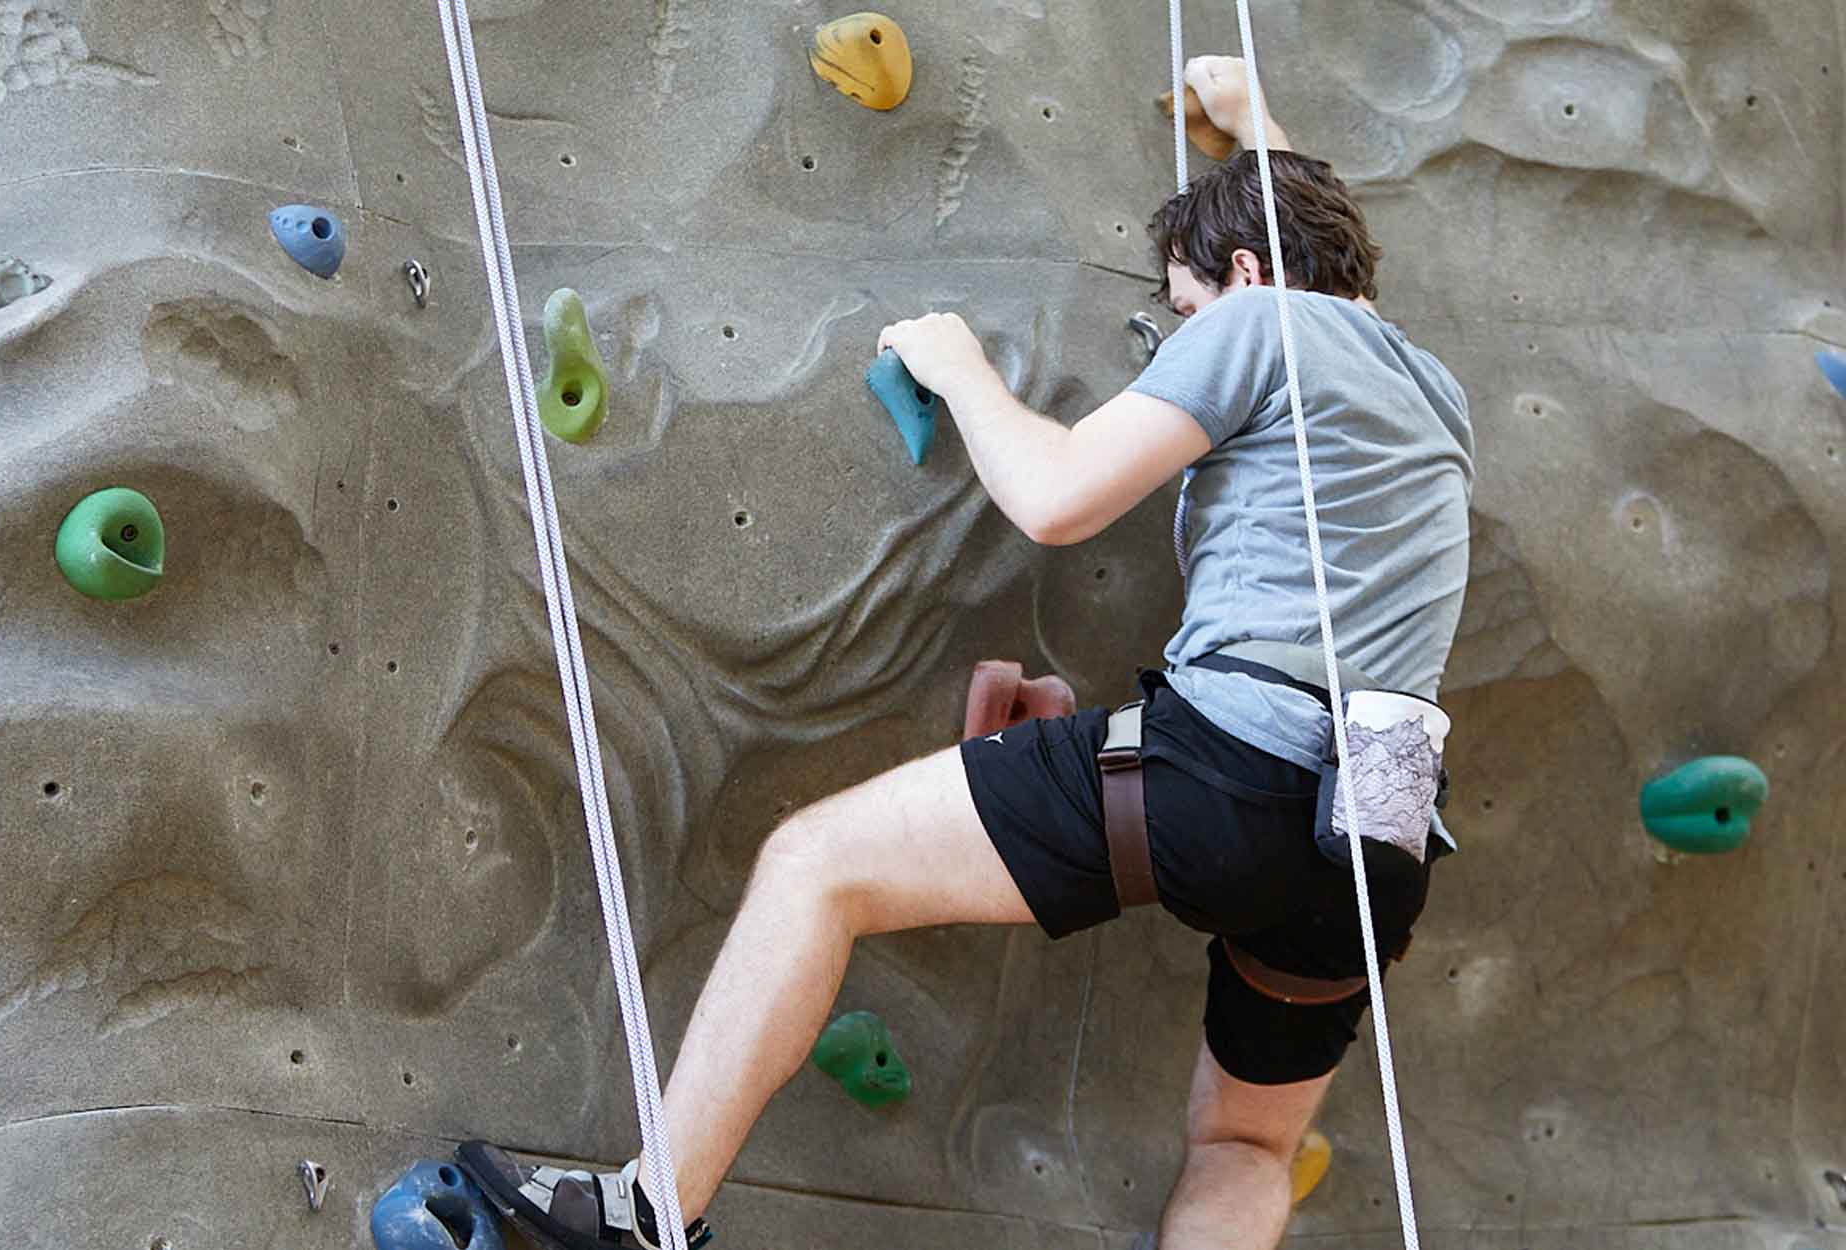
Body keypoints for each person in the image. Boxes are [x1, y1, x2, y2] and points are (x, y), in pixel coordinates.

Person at [459, 54, 1474, 1250]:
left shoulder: (1259, 316)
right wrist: (1251, 125)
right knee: (1246, 1143)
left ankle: (646, 1216)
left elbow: (1055, 498)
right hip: (1376, 834)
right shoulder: (1428, 384)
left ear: (1242, 279)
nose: (1183, 334)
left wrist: (959, 367)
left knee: (813, 863)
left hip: (1229, 769)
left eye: (1180, 311)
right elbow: (1319, 257)